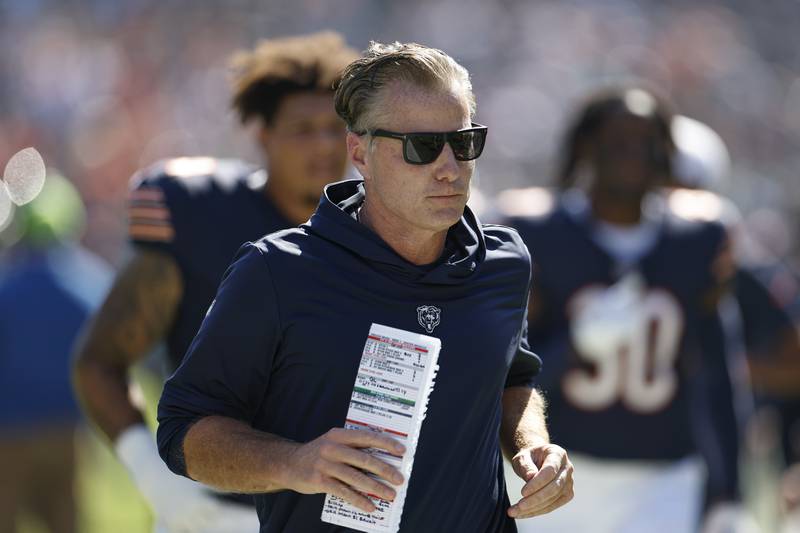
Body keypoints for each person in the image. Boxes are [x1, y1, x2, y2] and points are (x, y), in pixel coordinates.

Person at [156, 41, 574, 532]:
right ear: (360, 152)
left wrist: (533, 447)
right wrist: (296, 463)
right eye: (421, 147)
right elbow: (185, 431)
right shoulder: (277, 271)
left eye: (463, 143)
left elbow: (510, 381)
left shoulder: (504, 263)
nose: (448, 167)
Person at [72, 31, 359, 532]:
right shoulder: (198, 215)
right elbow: (99, 361)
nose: (324, 145)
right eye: (303, 129)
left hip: (344, 512)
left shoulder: (378, 228)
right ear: (263, 134)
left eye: (336, 128)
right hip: (215, 509)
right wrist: (152, 475)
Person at [498, 88, 745, 533]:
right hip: (563, 470)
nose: (634, 154)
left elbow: (717, 371)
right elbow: (507, 374)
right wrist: (574, 345)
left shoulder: (699, 238)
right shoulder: (537, 231)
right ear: (587, 146)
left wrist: (728, 488)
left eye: (647, 141)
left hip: (665, 478)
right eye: (619, 139)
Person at [0, 172, 112, 533]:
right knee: (65, 521)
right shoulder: (90, 283)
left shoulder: (7, 287)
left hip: (9, 434)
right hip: (66, 430)